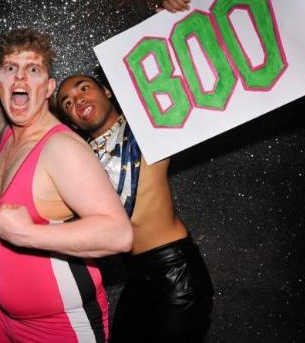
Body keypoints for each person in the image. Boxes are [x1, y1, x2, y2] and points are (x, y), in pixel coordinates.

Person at [0, 28, 133, 343]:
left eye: (33, 70)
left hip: (60, 326)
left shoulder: (61, 148)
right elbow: (2, 113)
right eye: (11, 68)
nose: (21, 78)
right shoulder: (10, 134)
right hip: (5, 319)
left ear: (49, 88)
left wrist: (28, 234)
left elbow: (119, 234)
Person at [55, 70, 214, 342]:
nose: (77, 100)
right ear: (70, 121)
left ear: (106, 91)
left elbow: (209, 94)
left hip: (175, 271)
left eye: (83, 89)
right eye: (68, 103)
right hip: (137, 274)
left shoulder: (147, 127)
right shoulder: (80, 160)